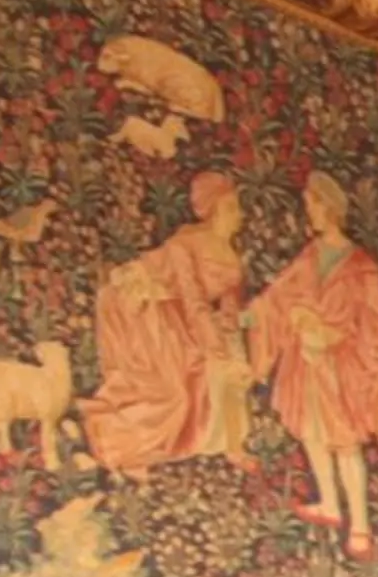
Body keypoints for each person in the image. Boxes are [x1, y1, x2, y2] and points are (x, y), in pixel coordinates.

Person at [245, 170, 378, 561]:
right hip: (306, 363)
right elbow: (279, 297)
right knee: (312, 433)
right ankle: (330, 505)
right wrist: (251, 318)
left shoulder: (361, 267)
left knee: (345, 441)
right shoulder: (311, 255)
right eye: (308, 207)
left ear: (330, 207)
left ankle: (360, 526)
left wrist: (334, 335)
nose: (311, 214)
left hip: (342, 368)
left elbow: (375, 324)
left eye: (314, 206)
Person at [87, 170, 253, 477]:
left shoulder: (232, 256)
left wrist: (232, 349)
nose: (238, 215)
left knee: (218, 374)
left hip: (183, 315)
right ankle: (122, 445)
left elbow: (229, 305)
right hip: (147, 310)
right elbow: (193, 300)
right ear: (213, 212)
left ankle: (233, 445)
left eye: (237, 207)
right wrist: (216, 350)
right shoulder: (186, 243)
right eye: (231, 208)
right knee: (172, 390)